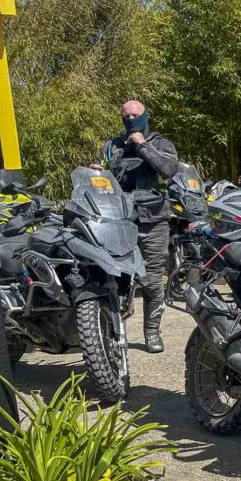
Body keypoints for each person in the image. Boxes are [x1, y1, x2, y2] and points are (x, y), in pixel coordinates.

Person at [93, 100, 178, 352]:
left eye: (135, 114)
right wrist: (97, 173)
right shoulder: (112, 146)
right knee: (114, 280)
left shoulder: (162, 143)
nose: (130, 118)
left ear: (145, 116)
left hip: (153, 221)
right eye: (126, 115)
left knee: (152, 281)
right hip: (118, 223)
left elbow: (169, 169)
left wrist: (142, 144)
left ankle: (152, 333)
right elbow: (104, 178)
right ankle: (114, 334)